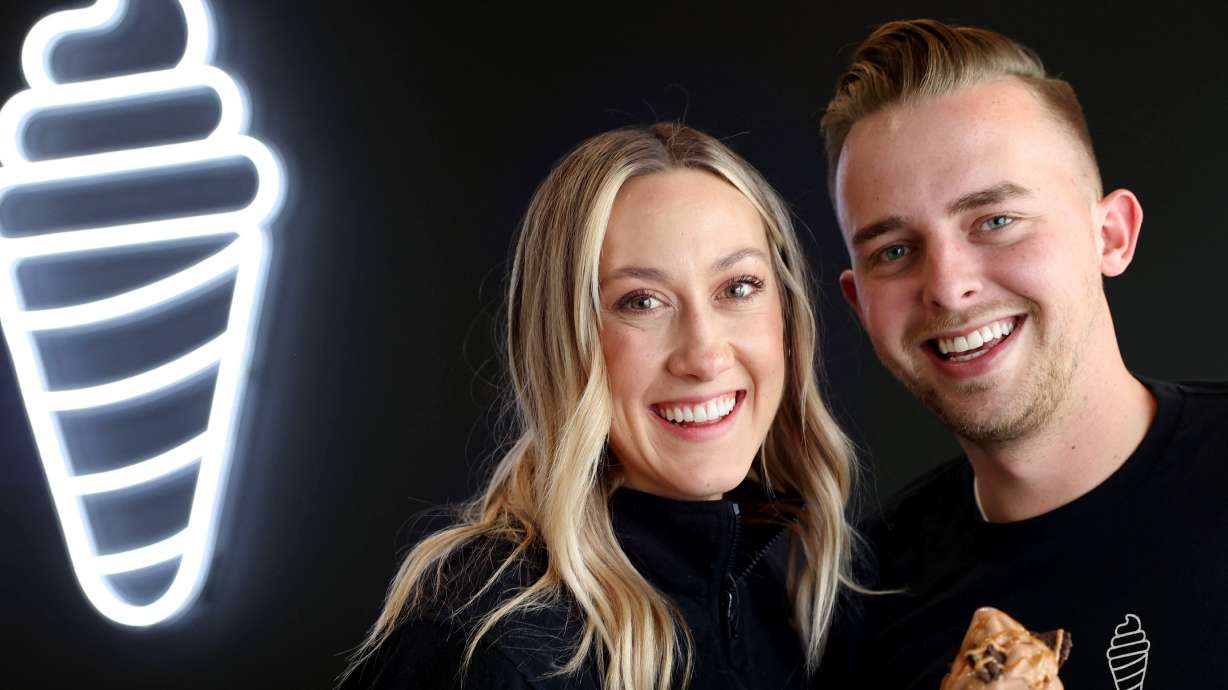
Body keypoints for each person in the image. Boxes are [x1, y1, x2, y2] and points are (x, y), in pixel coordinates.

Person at [339, 123, 863, 689]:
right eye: (641, 301)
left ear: (786, 313)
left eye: (737, 288)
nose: (704, 355)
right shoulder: (483, 652)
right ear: (563, 341)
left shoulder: (797, 602)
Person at [816, 18, 1228, 689]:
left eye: (996, 221)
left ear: (1112, 235)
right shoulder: (857, 608)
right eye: (894, 251)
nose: (948, 287)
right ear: (860, 304)